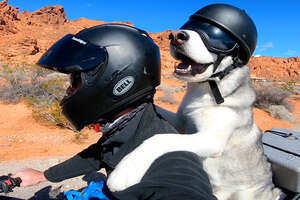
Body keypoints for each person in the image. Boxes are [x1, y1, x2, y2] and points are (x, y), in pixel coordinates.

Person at [11, 24, 217, 200]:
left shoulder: (168, 151)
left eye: (75, 80)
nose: (69, 90)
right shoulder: (129, 122)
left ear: (116, 78)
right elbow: (101, 153)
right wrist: (44, 175)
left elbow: (185, 185)